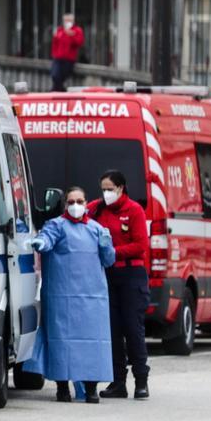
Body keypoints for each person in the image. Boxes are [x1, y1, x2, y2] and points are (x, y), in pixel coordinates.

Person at [26, 188, 116, 403]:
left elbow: (109, 260)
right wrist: (41, 243)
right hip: (61, 297)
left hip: (92, 298)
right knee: (61, 342)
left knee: (93, 342)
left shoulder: (96, 230)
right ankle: (62, 387)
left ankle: (91, 388)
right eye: (71, 201)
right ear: (65, 204)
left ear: (86, 203)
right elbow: (47, 239)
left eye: (80, 201)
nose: (76, 205)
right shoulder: (56, 225)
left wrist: (107, 245)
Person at [88, 170, 151, 400]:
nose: (106, 193)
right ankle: (118, 382)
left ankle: (141, 381)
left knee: (133, 329)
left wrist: (113, 252)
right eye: (103, 189)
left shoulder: (134, 210)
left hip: (131, 275)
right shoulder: (96, 209)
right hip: (108, 276)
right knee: (112, 330)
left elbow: (140, 245)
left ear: (121, 189)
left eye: (110, 189)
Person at [50, 13, 85, 92]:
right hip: (58, 58)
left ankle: (57, 91)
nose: (67, 22)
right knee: (54, 75)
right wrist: (54, 54)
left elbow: (79, 43)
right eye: (65, 20)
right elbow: (55, 43)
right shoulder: (60, 30)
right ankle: (59, 90)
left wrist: (71, 35)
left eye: (69, 20)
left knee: (63, 76)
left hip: (69, 59)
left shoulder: (77, 30)